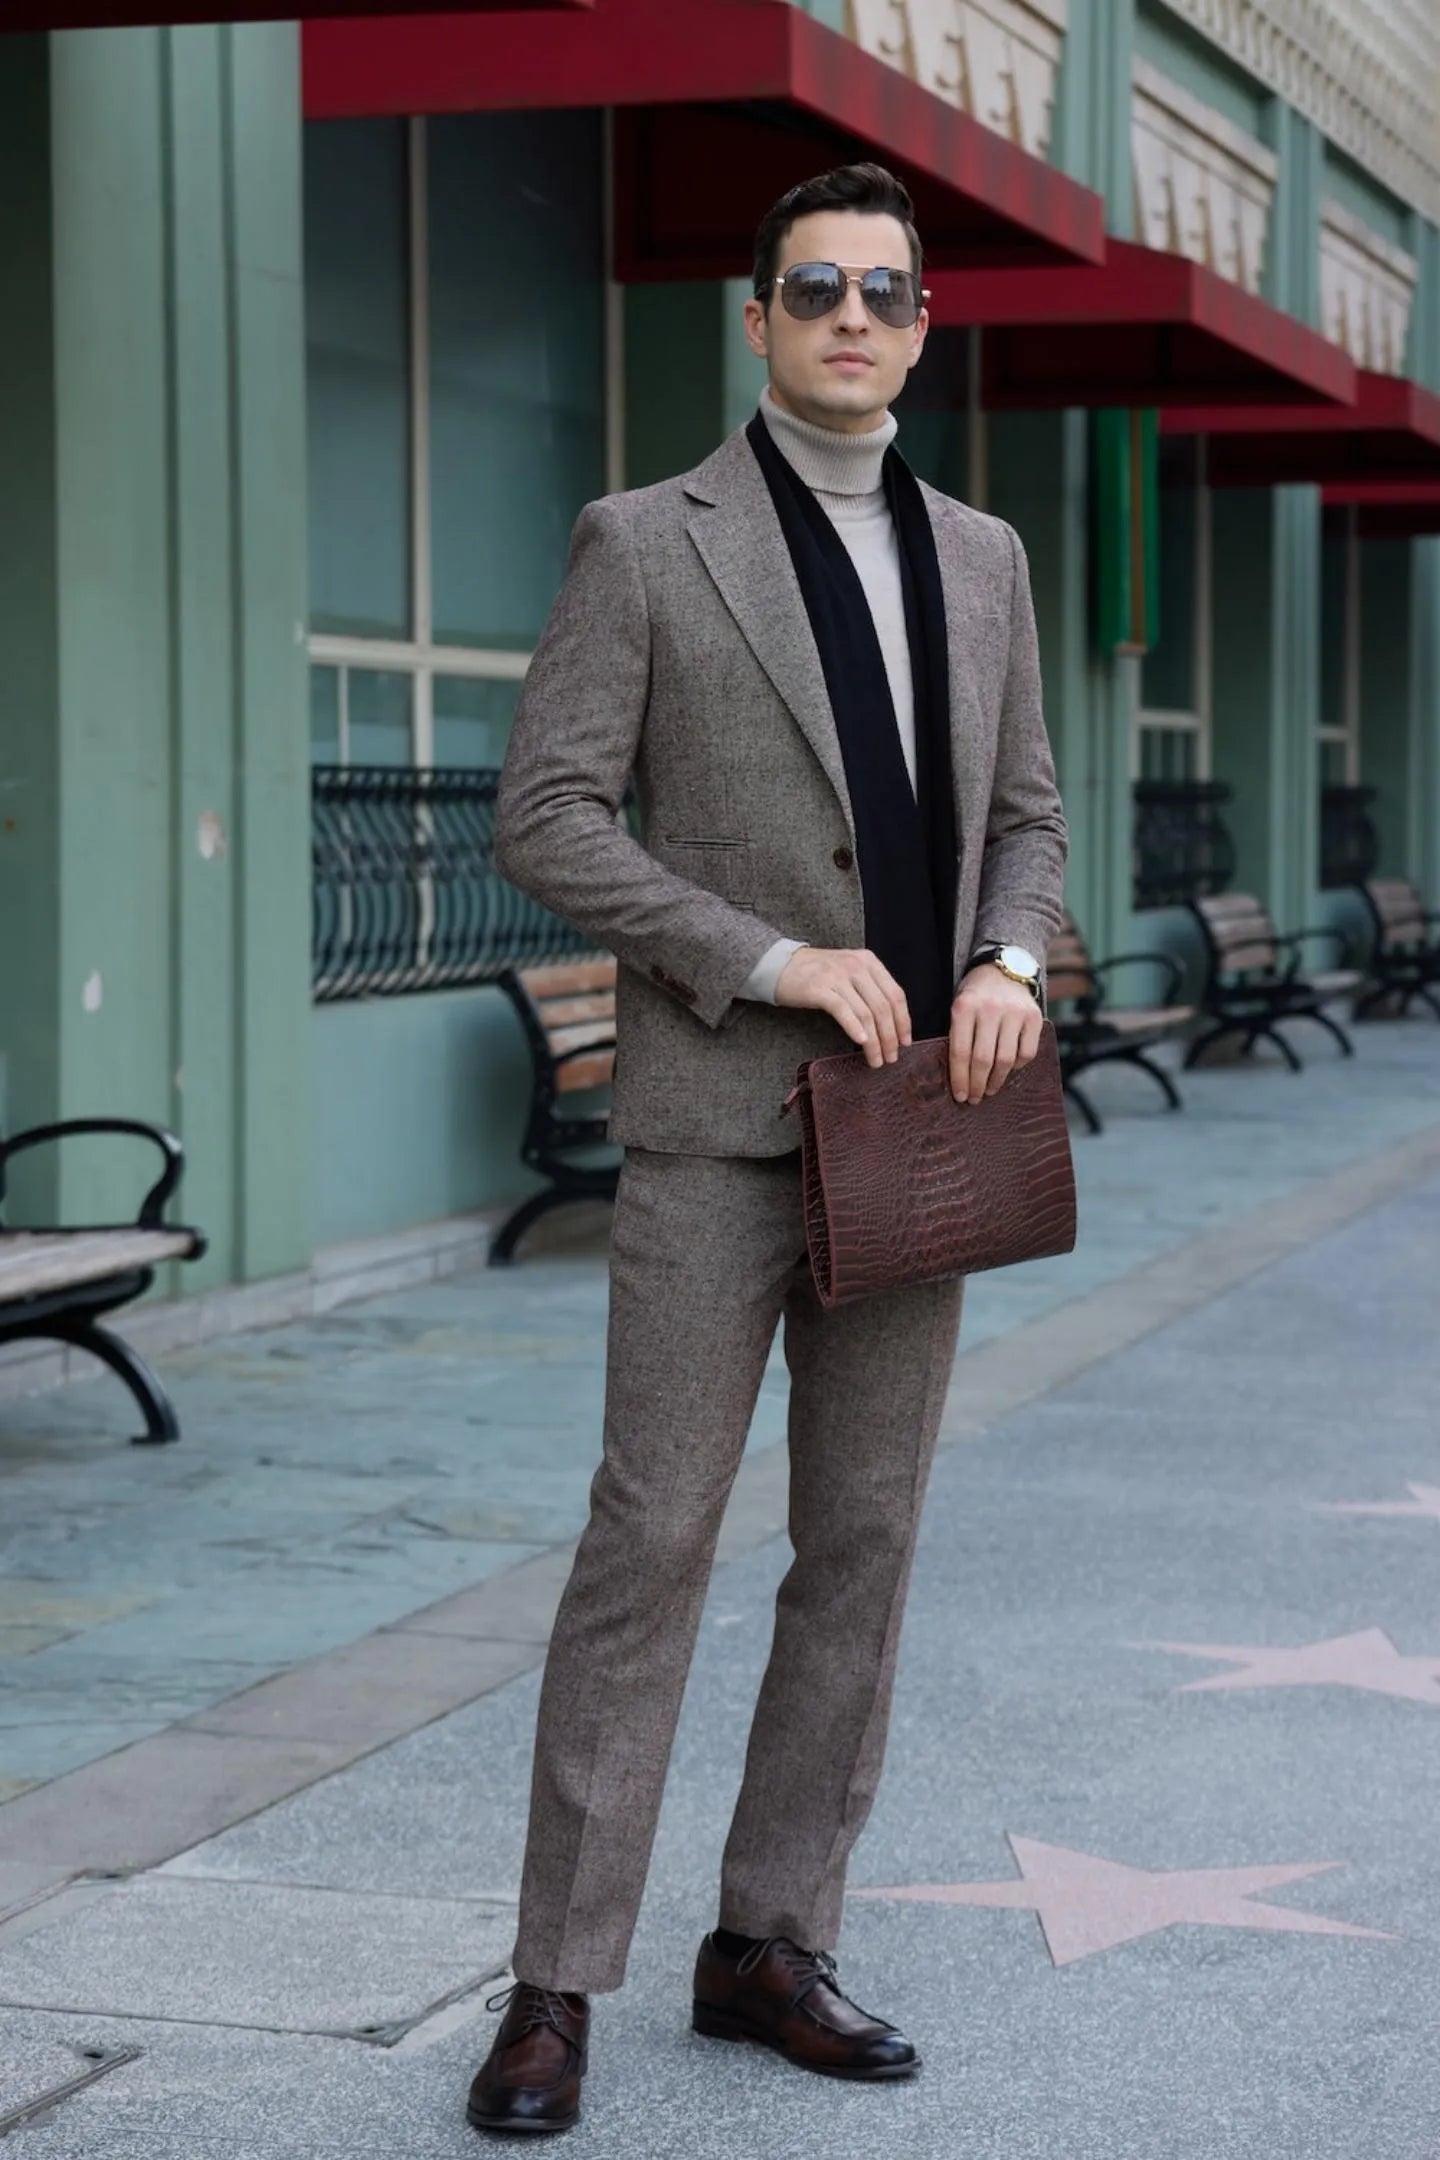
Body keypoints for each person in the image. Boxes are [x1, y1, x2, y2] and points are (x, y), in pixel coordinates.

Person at [467, 160, 1067, 2136]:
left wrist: (1004, 955)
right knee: (649, 1543)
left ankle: (771, 1938)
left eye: (885, 291)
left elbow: (1032, 820)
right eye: (814, 286)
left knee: (865, 1547)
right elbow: (548, 813)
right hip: (724, 1124)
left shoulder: (982, 557)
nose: (851, 318)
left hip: (920, 1130)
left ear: (920, 321)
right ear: (756, 316)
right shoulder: (646, 540)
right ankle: (556, 1980)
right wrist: (770, 953)